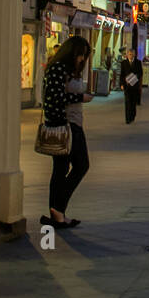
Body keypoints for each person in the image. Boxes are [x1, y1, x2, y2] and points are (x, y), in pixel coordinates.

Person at [41, 35, 93, 229]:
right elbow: (54, 97)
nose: (82, 60)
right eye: (81, 55)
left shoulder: (68, 69)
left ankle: (57, 214)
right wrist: (81, 97)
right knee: (81, 165)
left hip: (72, 123)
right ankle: (58, 208)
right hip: (66, 125)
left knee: (61, 169)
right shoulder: (58, 68)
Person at [119, 46, 143, 123]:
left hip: (135, 85)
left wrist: (135, 77)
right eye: (129, 54)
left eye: (132, 54)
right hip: (126, 85)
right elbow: (122, 74)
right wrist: (121, 84)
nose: (130, 55)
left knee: (133, 102)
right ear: (127, 55)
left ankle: (133, 115)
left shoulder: (138, 62)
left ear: (134, 55)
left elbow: (140, 73)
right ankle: (127, 119)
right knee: (127, 102)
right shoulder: (123, 63)